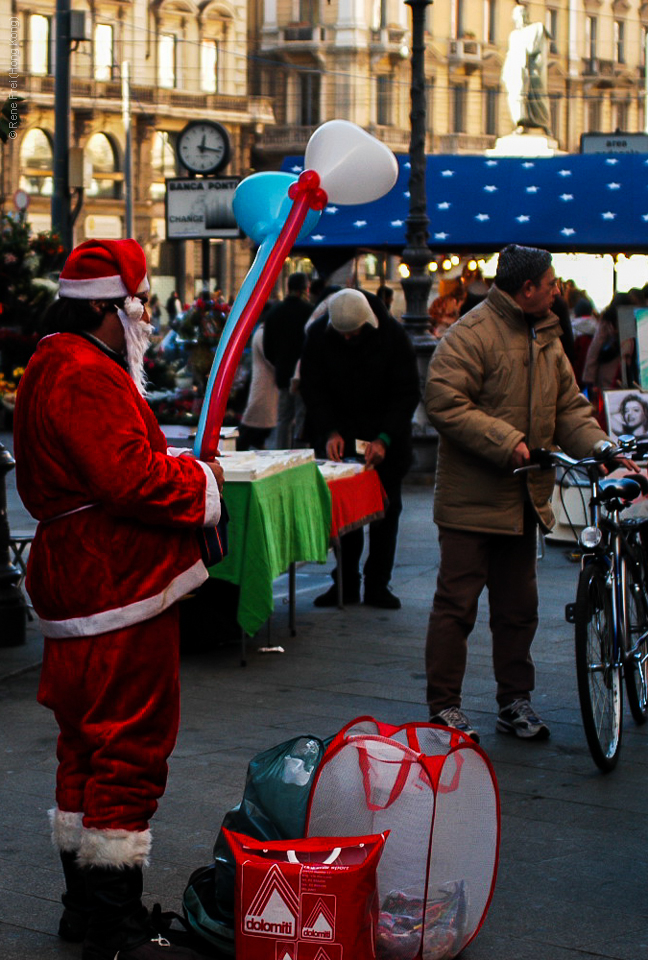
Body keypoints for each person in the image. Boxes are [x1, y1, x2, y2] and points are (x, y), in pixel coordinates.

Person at [13, 239, 223, 960]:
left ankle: (85, 907)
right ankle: (114, 924)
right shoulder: (83, 371)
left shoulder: (51, 359)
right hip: (114, 585)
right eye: (133, 304)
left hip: (75, 580)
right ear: (105, 307)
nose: (140, 317)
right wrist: (203, 487)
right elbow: (128, 478)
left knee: (83, 746)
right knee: (128, 746)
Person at [424, 244, 636, 743]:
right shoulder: (470, 334)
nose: (557, 290)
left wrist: (602, 448)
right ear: (527, 290)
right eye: (551, 282)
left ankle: (514, 701)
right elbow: (443, 401)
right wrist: (508, 442)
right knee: (456, 606)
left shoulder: (547, 334)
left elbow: (569, 409)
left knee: (519, 608)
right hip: (472, 501)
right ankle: (443, 708)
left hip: (522, 499)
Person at [300, 288, 420, 609]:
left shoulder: (392, 336)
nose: (350, 339)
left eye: (354, 333)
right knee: (345, 513)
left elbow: (406, 393)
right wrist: (328, 431)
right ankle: (346, 582)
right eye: (343, 335)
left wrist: (385, 438)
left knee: (386, 512)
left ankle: (378, 584)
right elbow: (314, 390)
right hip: (341, 434)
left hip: (385, 437)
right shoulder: (318, 336)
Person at [262, 271, 312, 448]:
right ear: (303, 289)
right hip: (303, 374)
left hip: (283, 373)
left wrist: (278, 363)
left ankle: (281, 454)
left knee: (283, 418)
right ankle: (300, 455)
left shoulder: (275, 312)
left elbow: (267, 348)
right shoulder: (309, 312)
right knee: (301, 417)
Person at [502, 4, 552, 136]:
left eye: (523, 15)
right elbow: (510, 54)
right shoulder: (513, 35)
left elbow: (533, 48)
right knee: (517, 96)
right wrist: (506, 71)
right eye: (518, 16)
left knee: (537, 96)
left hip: (530, 71)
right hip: (516, 70)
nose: (521, 18)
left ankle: (542, 123)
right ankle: (521, 122)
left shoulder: (533, 30)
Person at [237, 310, 279, 450]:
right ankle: (240, 448)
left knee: (258, 422)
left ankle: (255, 445)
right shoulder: (262, 334)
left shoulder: (264, 332)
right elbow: (270, 357)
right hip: (263, 384)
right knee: (253, 421)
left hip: (265, 383)